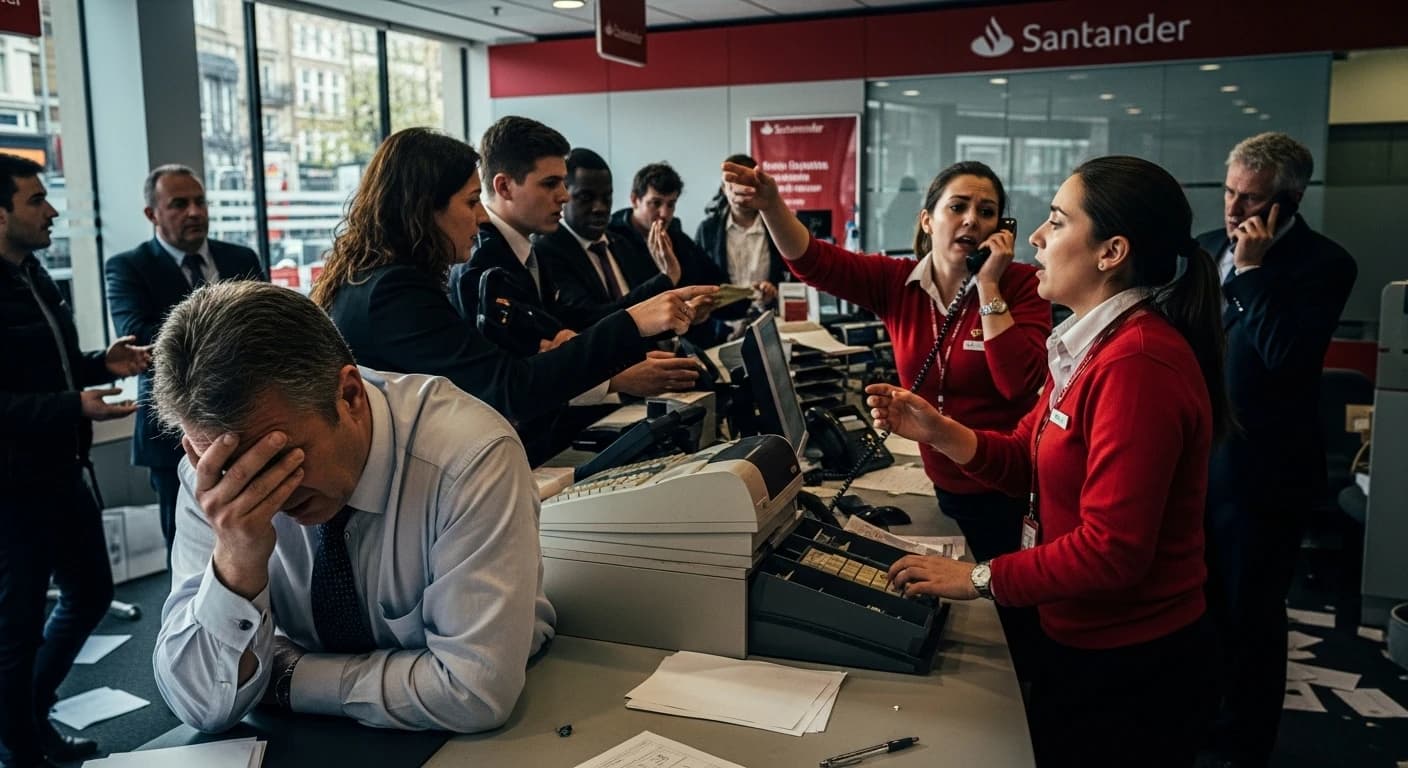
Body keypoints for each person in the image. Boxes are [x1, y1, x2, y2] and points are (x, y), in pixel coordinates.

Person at [861, 156, 1229, 766]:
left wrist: (977, 578)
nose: (1033, 236)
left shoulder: (1137, 364)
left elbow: (1112, 550)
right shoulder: (1091, 343)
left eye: (1056, 222)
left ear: (1111, 252)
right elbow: (1023, 457)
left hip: (1131, 668)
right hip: (1080, 641)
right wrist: (937, 431)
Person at [151, 280, 555, 734]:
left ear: (349, 396)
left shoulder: (468, 457)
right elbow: (199, 704)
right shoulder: (215, 485)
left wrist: (288, 676)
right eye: (236, 471)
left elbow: (472, 691)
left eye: (279, 458)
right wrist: (236, 558)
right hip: (310, 735)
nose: (268, 497)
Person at [724, 158, 1049, 677]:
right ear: (927, 220)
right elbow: (815, 263)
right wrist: (771, 205)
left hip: (1009, 493)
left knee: (1014, 637)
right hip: (946, 489)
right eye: (958, 206)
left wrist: (989, 285)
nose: (972, 220)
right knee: (969, 631)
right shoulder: (899, 283)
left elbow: (1018, 381)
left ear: (1001, 229)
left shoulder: (1023, 285)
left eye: (987, 212)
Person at [312, 127, 710, 467]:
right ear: (424, 209)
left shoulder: (381, 279)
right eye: (471, 202)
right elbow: (508, 389)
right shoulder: (395, 291)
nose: (481, 216)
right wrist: (634, 323)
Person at [1198, 133, 1357, 768]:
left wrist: (1253, 274)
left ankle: (1244, 747)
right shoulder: (1204, 249)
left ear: (1289, 202)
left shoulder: (1325, 264)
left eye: (1252, 199)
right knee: (1200, 606)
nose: (1234, 209)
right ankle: (1199, 723)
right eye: (1229, 192)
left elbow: (1286, 360)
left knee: (1251, 616)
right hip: (1198, 461)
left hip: (1263, 473)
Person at [0, 153, 150, 768]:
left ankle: (28, 715)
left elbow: (47, 369)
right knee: (16, 627)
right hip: (14, 487)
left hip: (64, 471)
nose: (52, 211)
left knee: (89, 594)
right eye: (36, 200)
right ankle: (21, 747)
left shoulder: (32, 274)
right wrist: (72, 405)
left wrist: (99, 364)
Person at [106, 164, 266, 556]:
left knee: (262, 537)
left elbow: (267, 325)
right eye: (179, 204)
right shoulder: (129, 267)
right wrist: (230, 331)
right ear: (152, 214)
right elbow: (140, 336)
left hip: (253, 417)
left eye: (200, 201)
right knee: (187, 548)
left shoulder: (240, 257)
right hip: (174, 431)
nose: (194, 212)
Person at [534, 147, 682, 325]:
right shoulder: (547, 251)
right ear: (564, 196)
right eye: (586, 197)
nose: (600, 208)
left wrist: (687, 315)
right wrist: (666, 279)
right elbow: (589, 321)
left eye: (606, 197)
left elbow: (651, 317)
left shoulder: (621, 243)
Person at [610, 161, 739, 346]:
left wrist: (708, 302)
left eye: (671, 204)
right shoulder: (612, 241)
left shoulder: (679, 239)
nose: (664, 213)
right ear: (634, 200)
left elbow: (715, 283)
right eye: (655, 203)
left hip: (690, 344)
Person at [694, 153, 785, 329]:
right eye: (734, 185)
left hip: (770, 322)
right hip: (721, 326)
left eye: (747, 186)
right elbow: (698, 280)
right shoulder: (707, 230)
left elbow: (793, 280)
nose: (740, 192)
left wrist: (773, 293)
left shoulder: (777, 226)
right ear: (723, 188)